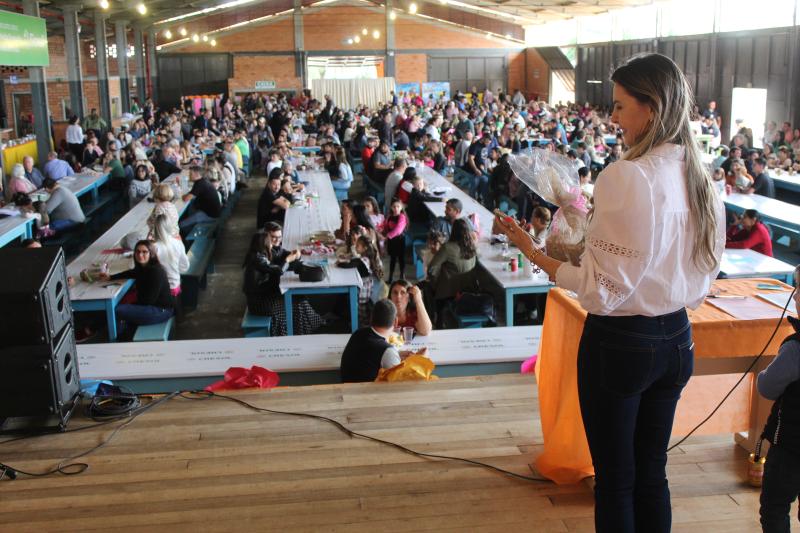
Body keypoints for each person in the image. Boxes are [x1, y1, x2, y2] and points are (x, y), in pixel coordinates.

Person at [495, 53, 725, 533]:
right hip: (678, 339)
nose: (613, 119)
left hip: (623, 345)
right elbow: (699, 276)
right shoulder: (702, 178)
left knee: (617, 482)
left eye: (621, 107)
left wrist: (540, 257)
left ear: (653, 109)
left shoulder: (628, 175)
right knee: (652, 475)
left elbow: (602, 292)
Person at [757, 276, 800, 532]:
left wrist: (765, 373)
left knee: (775, 507)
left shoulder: (795, 350)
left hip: (790, 448)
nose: (794, 296)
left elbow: (767, 387)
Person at [242, 223, 323, 336]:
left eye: (279, 238)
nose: (274, 243)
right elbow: (279, 270)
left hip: (266, 294)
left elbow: (282, 255)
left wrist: (295, 255)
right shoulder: (258, 258)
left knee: (299, 298)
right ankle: (294, 333)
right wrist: (288, 260)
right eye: (271, 240)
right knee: (295, 303)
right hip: (259, 302)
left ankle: (308, 329)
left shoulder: (264, 252)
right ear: (264, 242)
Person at [98, 240, 174, 341]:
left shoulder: (156, 272)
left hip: (161, 311)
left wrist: (131, 303)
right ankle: (121, 335)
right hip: (151, 306)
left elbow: (147, 301)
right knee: (121, 310)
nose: (140, 255)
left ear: (151, 254)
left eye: (144, 252)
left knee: (118, 310)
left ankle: (117, 337)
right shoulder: (143, 268)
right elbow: (131, 272)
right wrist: (110, 277)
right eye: (137, 252)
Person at [340, 299, 404, 383]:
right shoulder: (387, 351)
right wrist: (417, 359)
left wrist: (397, 355)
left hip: (345, 391)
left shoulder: (358, 333)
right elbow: (400, 381)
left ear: (371, 318)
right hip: (366, 394)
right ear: (396, 322)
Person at [338, 235, 384, 327]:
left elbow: (347, 265)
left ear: (365, 248)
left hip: (364, 290)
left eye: (358, 245)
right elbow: (353, 260)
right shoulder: (366, 257)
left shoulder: (363, 260)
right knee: (363, 310)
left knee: (361, 310)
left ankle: (360, 327)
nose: (355, 246)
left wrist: (339, 263)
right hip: (367, 287)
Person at [428, 218, 478, 301]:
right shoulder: (473, 247)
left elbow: (431, 269)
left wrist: (435, 284)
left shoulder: (447, 247)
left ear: (453, 230)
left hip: (449, 293)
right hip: (468, 291)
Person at [150, 213, 189, 296]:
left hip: (161, 289)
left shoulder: (153, 247)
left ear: (155, 229)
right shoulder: (178, 242)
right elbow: (185, 266)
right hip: (176, 286)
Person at [180, 166, 222, 233]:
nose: (189, 176)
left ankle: (190, 238)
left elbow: (186, 199)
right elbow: (191, 193)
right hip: (210, 211)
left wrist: (183, 196)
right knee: (191, 207)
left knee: (181, 225)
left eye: (191, 174)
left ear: (197, 174)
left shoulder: (200, 184)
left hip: (210, 215)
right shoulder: (202, 181)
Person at [383, 198, 408, 283]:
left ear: (401, 207)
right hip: (392, 241)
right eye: (394, 206)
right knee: (392, 259)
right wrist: (382, 231)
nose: (396, 208)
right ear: (391, 207)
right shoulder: (389, 217)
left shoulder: (402, 217)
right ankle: (390, 277)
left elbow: (398, 229)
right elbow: (385, 226)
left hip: (400, 240)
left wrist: (387, 236)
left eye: (398, 206)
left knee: (401, 259)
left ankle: (402, 276)